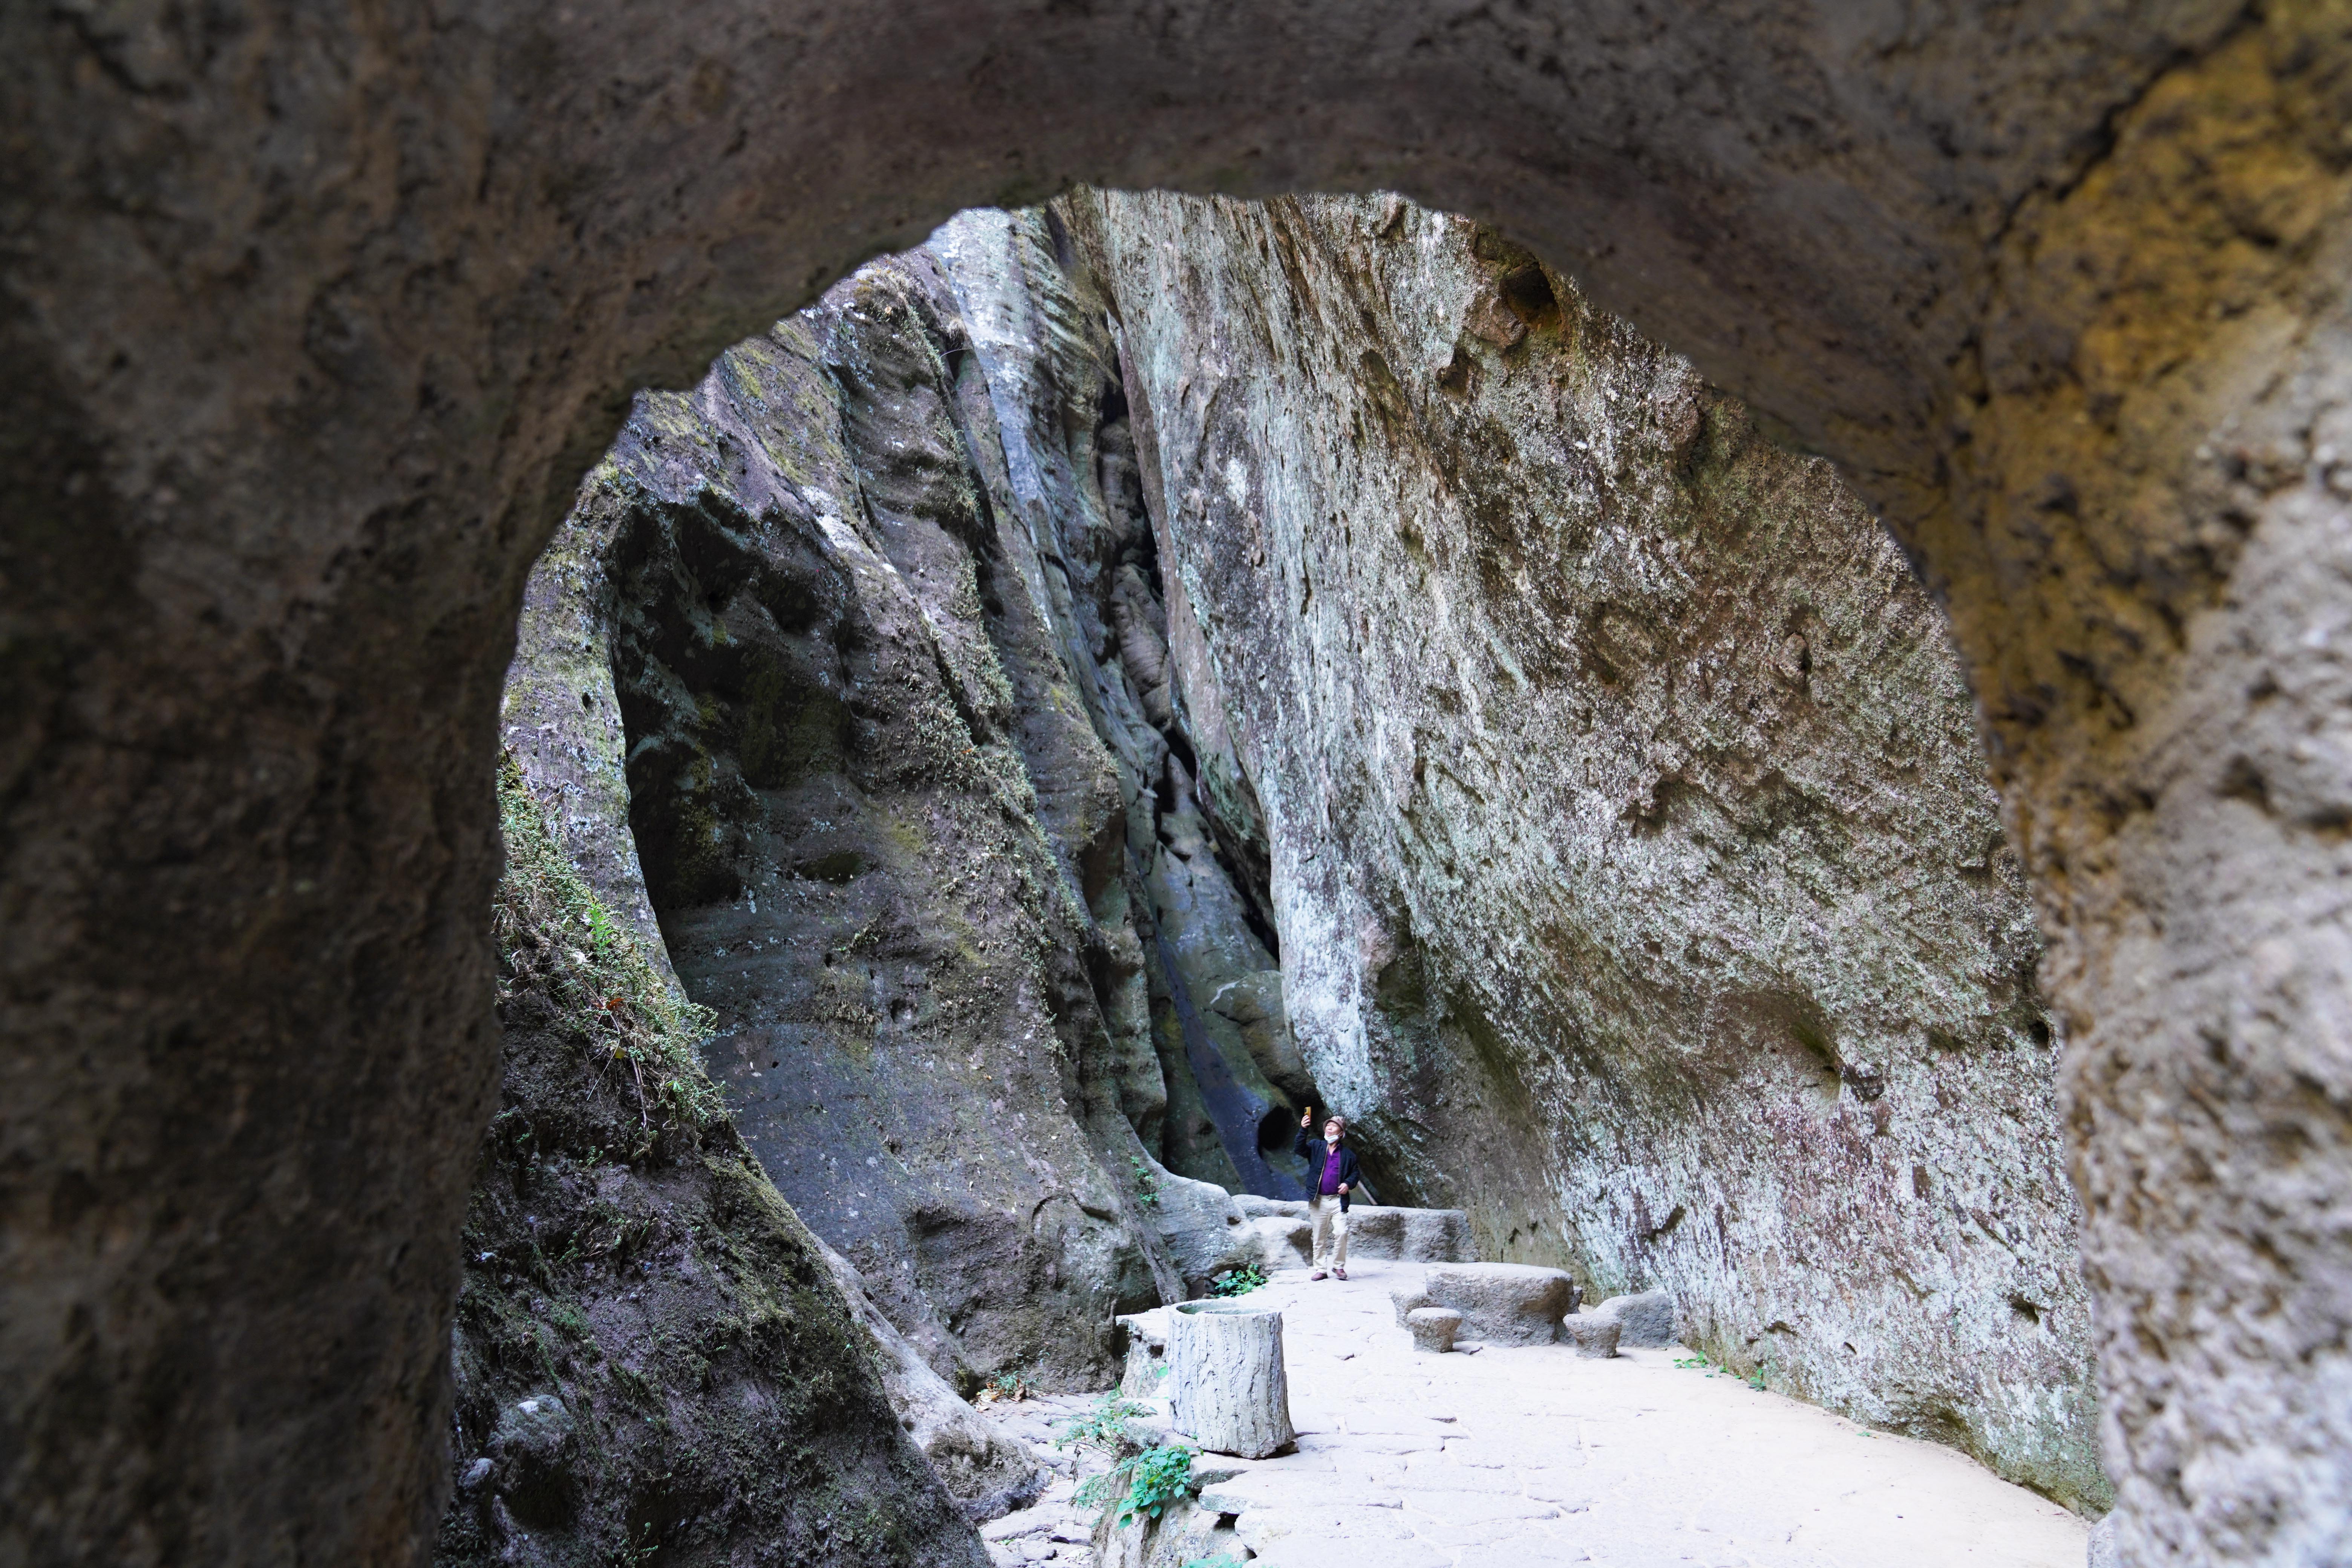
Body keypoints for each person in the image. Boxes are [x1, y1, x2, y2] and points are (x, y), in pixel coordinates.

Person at [1295, 1106, 1361, 1280]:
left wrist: (1348, 1184)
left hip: (1338, 1201)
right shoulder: (1316, 1146)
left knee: (1341, 1232)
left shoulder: (1349, 1155)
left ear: (1341, 1133)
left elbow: (1355, 1174)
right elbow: (1299, 1149)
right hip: (1318, 1200)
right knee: (1319, 1236)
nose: (1330, 1128)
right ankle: (1321, 1270)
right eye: (1328, 1125)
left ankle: (1338, 1267)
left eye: (1334, 1126)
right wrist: (1303, 1129)